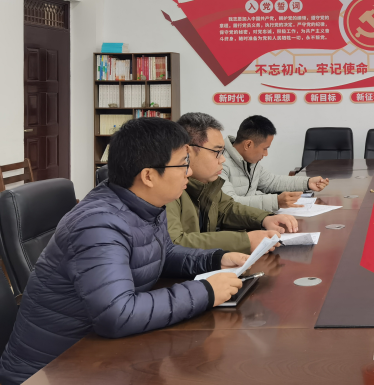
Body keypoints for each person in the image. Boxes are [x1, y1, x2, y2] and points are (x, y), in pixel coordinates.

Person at [0, 118, 247, 385]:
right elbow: (117, 315)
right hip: (52, 369)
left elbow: (161, 253)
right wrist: (205, 291)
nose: (188, 172)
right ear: (148, 176)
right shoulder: (98, 224)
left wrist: (215, 258)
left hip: (97, 354)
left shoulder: (145, 204)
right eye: (182, 164)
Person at [167, 112, 299, 254]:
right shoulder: (167, 189)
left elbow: (227, 208)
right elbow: (175, 242)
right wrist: (245, 241)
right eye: (217, 152)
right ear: (188, 151)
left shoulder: (206, 183)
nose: (223, 159)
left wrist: (264, 219)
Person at [222, 115, 329, 211]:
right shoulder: (220, 163)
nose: (266, 154)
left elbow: (271, 182)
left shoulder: (250, 161)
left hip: (251, 217)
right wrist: (275, 201)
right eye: (265, 148)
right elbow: (229, 204)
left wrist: (307, 182)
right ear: (248, 145)